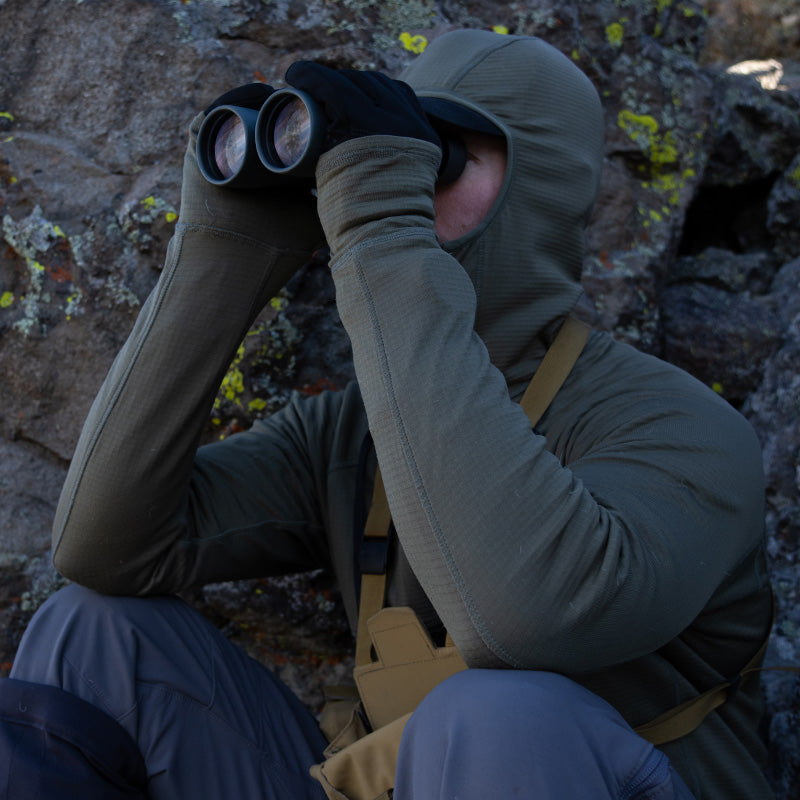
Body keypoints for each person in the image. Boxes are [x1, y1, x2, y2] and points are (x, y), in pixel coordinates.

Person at [1, 29, 774, 799]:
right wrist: (222, 248)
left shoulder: (679, 430)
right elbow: (106, 548)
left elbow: (527, 621)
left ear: (537, 191)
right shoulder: (349, 432)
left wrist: (380, 231)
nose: (405, 179)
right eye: (390, 152)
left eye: (439, 155)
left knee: (492, 712)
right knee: (92, 628)